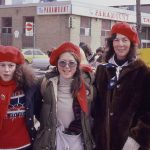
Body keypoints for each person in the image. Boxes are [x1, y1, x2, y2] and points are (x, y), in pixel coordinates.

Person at [92, 22, 150, 150]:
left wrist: (135, 140)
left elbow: (148, 112)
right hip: (103, 142)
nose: (120, 44)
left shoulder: (142, 72)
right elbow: (96, 107)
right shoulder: (103, 70)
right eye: (116, 40)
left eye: (125, 40)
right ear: (112, 43)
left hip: (130, 144)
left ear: (132, 43)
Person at [33, 42, 95, 150]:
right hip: (52, 141)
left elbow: (93, 114)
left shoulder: (88, 86)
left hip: (79, 141)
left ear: (77, 64)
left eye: (71, 63)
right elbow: (38, 110)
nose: (67, 67)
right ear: (57, 64)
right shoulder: (46, 84)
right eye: (62, 63)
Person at [0, 45, 39, 150]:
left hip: (24, 144)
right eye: (2, 65)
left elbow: (40, 111)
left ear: (17, 68)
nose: (6, 70)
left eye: (11, 65)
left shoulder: (28, 86)